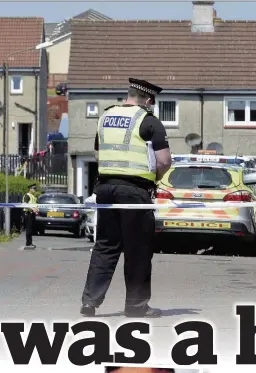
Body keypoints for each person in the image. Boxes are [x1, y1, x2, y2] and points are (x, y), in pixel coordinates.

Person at [80, 78, 172, 318]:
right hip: (135, 192)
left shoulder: (105, 117)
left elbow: (98, 153)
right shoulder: (149, 121)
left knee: (105, 247)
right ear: (149, 100)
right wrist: (154, 180)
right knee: (138, 250)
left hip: (106, 189)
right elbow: (164, 161)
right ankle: (136, 306)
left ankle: (89, 303)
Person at [22, 183, 38, 248]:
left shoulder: (33, 196)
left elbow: (35, 204)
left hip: (32, 214)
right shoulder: (27, 195)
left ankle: (30, 242)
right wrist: (32, 208)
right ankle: (28, 243)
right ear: (30, 189)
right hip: (28, 213)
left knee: (31, 229)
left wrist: (37, 209)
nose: (35, 189)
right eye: (34, 188)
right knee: (29, 229)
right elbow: (25, 204)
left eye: (35, 188)